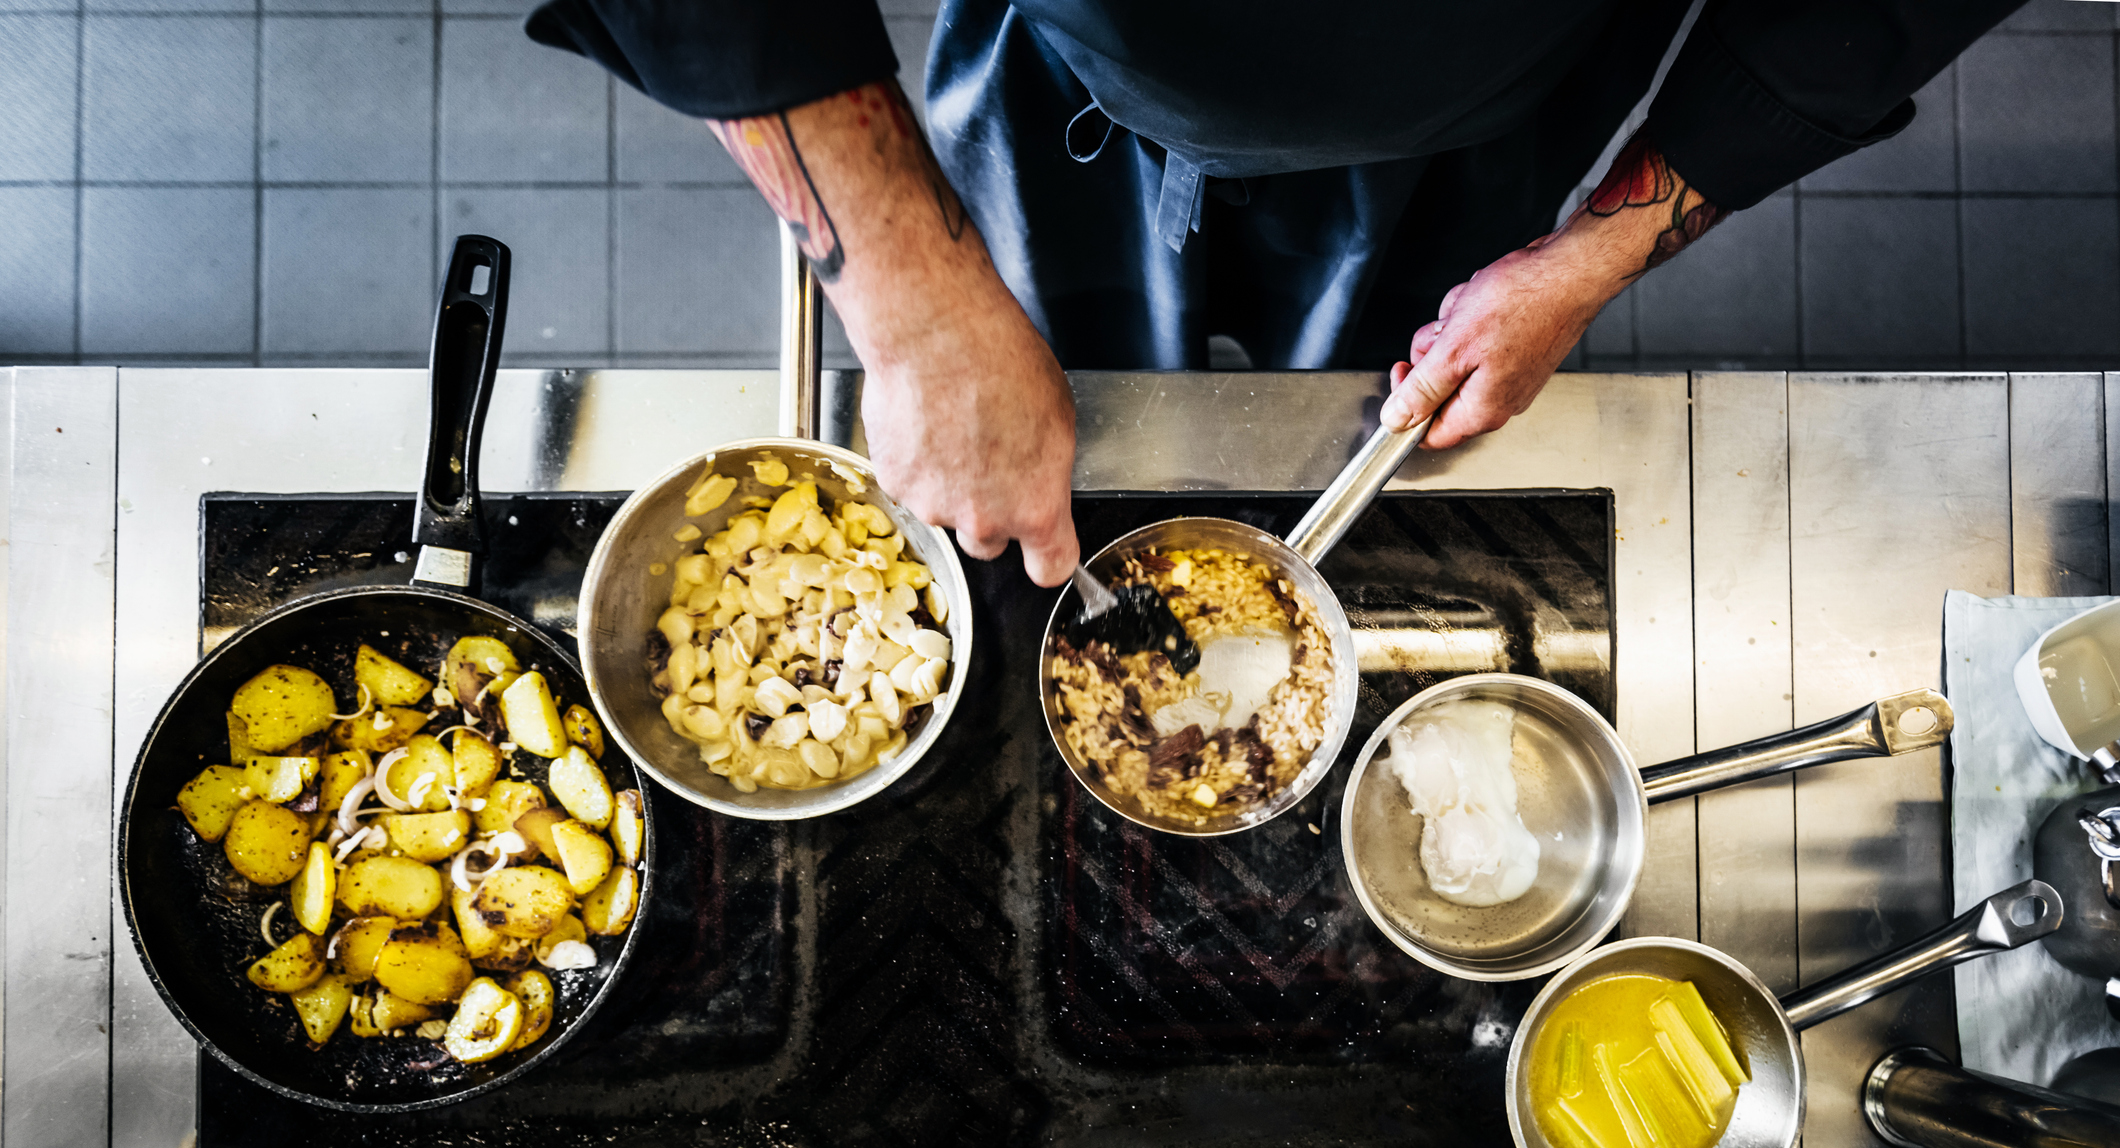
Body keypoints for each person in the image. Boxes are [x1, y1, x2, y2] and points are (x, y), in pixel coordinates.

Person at [527, 0, 2022, 587]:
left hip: (1492, 125)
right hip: (1079, 96)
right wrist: (919, 313)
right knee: (1054, 375)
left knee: (1371, 382)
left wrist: (1598, 248)